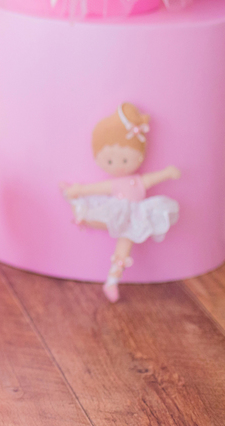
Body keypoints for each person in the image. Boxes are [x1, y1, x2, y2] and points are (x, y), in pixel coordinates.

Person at [61, 102, 180, 302]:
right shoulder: (115, 184)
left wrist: (167, 173)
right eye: (109, 162)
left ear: (139, 155)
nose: (118, 167)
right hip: (118, 212)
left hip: (136, 216)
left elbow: (151, 179)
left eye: (125, 160)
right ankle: (79, 212)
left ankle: (112, 280)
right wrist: (78, 190)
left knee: (124, 244)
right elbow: (95, 189)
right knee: (96, 217)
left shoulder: (136, 181)